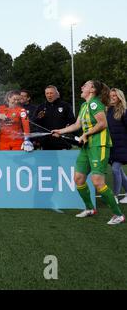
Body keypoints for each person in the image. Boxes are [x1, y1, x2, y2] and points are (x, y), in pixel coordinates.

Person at [52, 80, 125, 225]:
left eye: (85, 85)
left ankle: (118, 215)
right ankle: (90, 208)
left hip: (99, 146)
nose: (81, 87)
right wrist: (60, 131)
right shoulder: (85, 105)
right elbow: (77, 125)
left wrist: (86, 134)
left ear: (92, 90)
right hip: (87, 147)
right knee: (78, 178)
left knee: (97, 182)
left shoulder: (94, 104)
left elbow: (102, 123)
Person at [33, 86, 76, 150]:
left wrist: (65, 131)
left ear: (56, 94)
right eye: (47, 93)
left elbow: (72, 121)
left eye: (51, 93)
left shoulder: (65, 106)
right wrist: (38, 118)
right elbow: (34, 123)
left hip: (62, 142)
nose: (49, 95)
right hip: (46, 143)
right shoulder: (41, 107)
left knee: (63, 160)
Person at [107, 88, 127, 204]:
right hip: (113, 146)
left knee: (115, 169)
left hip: (123, 146)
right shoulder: (109, 110)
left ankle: (115, 196)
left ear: (119, 97)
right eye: (111, 95)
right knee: (119, 171)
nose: (112, 97)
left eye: (114, 95)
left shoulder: (124, 110)